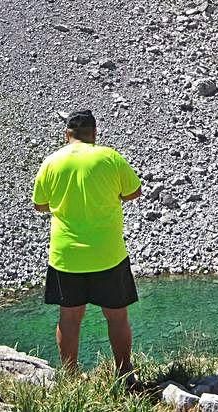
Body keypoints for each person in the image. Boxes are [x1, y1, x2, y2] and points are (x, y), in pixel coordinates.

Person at [32, 109, 141, 379]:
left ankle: (71, 375)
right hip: (108, 254)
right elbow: (134, 192)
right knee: (116, 317)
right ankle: (124, 372)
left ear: (66, 134)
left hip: (66, 256)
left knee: (69, 319)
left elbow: (39, 204)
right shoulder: (110, 157)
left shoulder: (51, 162)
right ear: (95, 133)